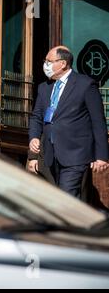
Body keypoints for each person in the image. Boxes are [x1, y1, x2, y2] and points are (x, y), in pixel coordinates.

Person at [29, 46, 109, 199]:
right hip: (50, 154)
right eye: (45, 61)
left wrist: (102, 156)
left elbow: (98, 121)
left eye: (49, 61)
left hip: (76, 154)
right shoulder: (44, 87)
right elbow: (37, 117)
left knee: (66, 196)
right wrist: (33, 137)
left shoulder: (85, 84)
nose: (45, 65)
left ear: (63, 63)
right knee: (56, 199)